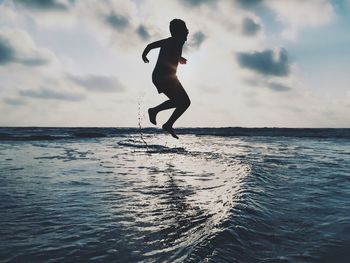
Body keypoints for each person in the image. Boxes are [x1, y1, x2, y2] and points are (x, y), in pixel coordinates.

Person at [142, 19, 191, 139]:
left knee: (182, 102)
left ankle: (165, 121)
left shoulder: (172, 41)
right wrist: (178, 57)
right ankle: (157, 114)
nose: (186, 37)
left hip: (163, 77)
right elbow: (158, 47)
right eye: (185, 33)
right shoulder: (175, 41)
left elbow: (150, 46)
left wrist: (144, 54)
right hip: (165, 77)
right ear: (179, 33)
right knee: (184, 102)